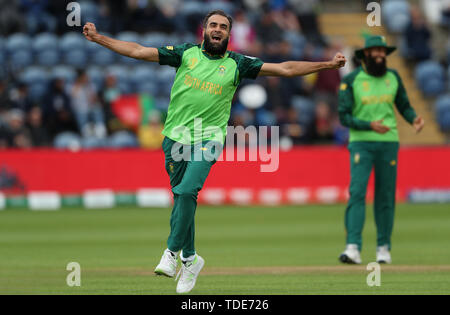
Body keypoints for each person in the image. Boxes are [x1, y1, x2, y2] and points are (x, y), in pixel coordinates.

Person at [83, 9, 346, 294]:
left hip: (209, 139)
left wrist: (327, 65)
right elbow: (138, 51)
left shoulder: (238, 63)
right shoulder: (185, 54)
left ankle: (171, 254)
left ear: (229, 34)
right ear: (204, 30)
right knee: (184, 198)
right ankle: (190, 258)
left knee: (186, 192)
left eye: (223, 26)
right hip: (175, 138)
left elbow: (284, 68)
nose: (217, 30)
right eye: (213, 25)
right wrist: (99, 39)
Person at [338, 35, 425, 265]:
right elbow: (343, 115)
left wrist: (413, 119)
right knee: (357, 193)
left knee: (385, 195)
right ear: (365, 54)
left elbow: (403, 104)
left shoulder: (393, 77)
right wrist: (369, 125)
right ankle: (353, 247)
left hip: (388, 143)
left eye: (382, 51)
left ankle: (383, 247)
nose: (379, 55)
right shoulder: (352, 80)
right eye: (374, 51)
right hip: (361, 143)